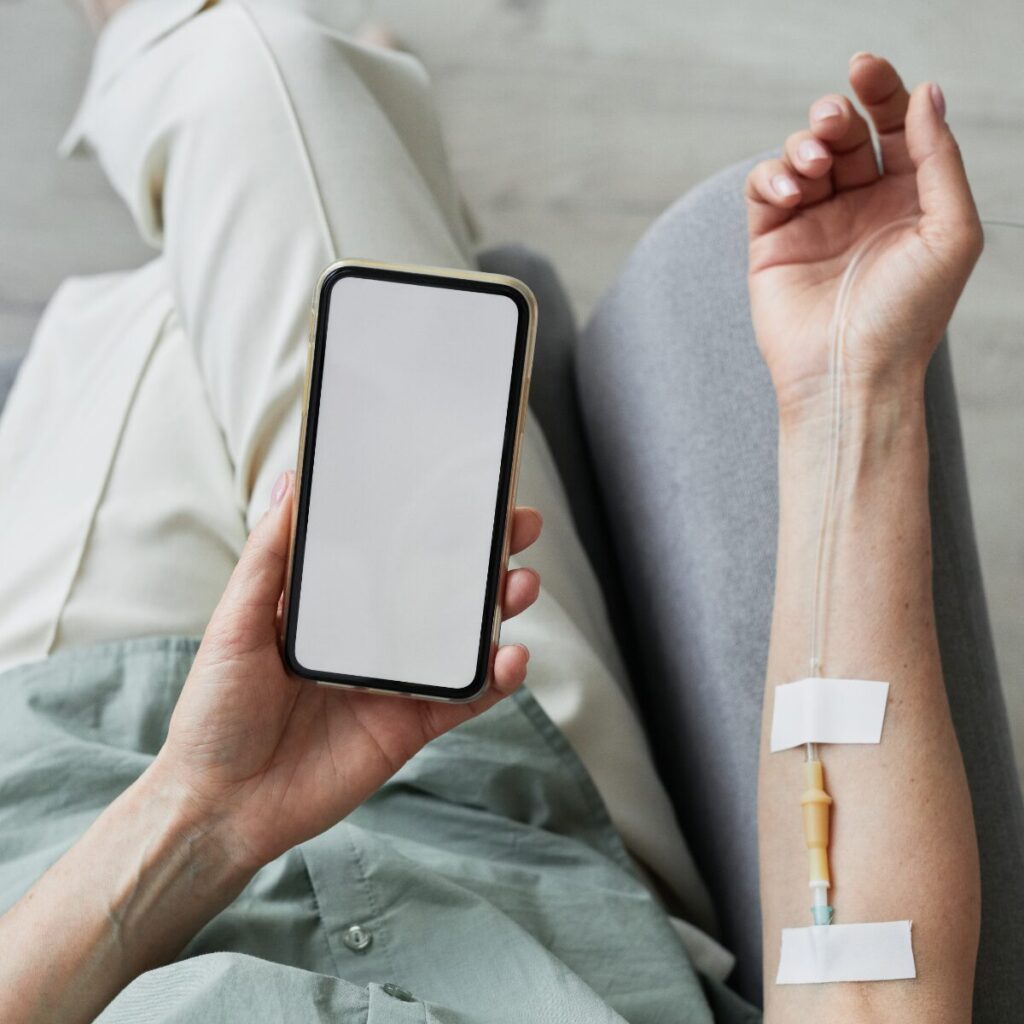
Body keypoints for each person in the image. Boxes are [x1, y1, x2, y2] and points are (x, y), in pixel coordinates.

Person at [0, 2, 1019, 1021]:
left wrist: (204, 811)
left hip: (85, 794)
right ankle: (341, 109)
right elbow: (868, 993)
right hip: (506, 797)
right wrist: (848, 383)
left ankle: (346, 114)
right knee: (267, 82)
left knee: (157, 293)